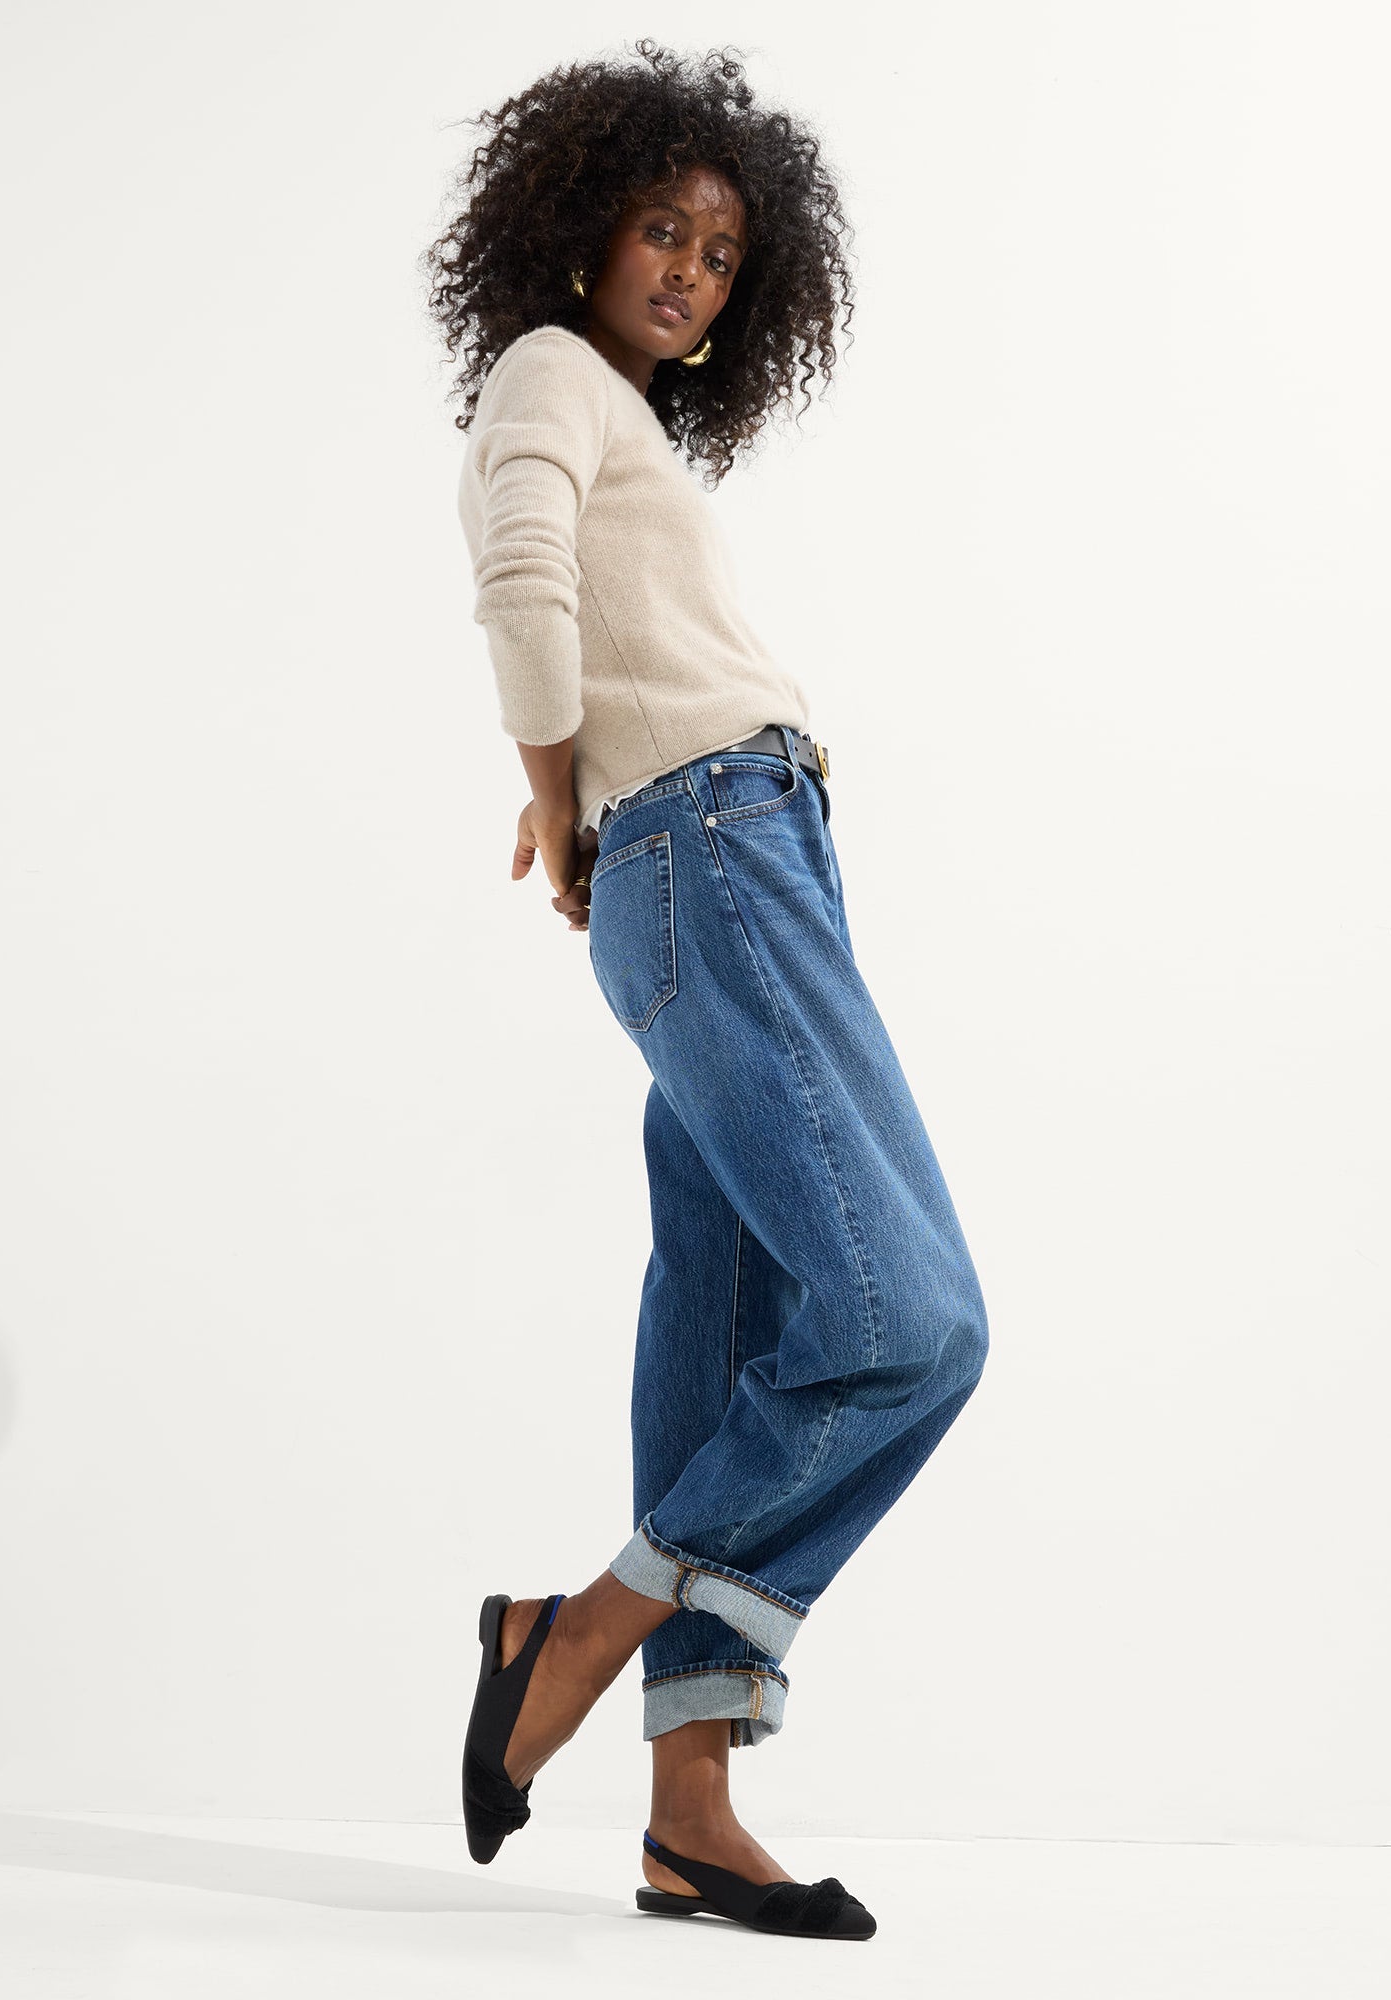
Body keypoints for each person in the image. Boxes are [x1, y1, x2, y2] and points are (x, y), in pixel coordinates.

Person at [425, 40, 988, 1942]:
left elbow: (583, 607)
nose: (688, 269)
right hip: (711, 854)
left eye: (723, 254)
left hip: (731, 858)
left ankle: (690, 1812)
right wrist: (553, 792)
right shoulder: (549, 371)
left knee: (741, 1322)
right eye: (662, 228)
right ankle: (579, 1633)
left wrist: (595, 793)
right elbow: (520, 580)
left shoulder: (618, 412)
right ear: (582, 225)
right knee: (910, 1320)